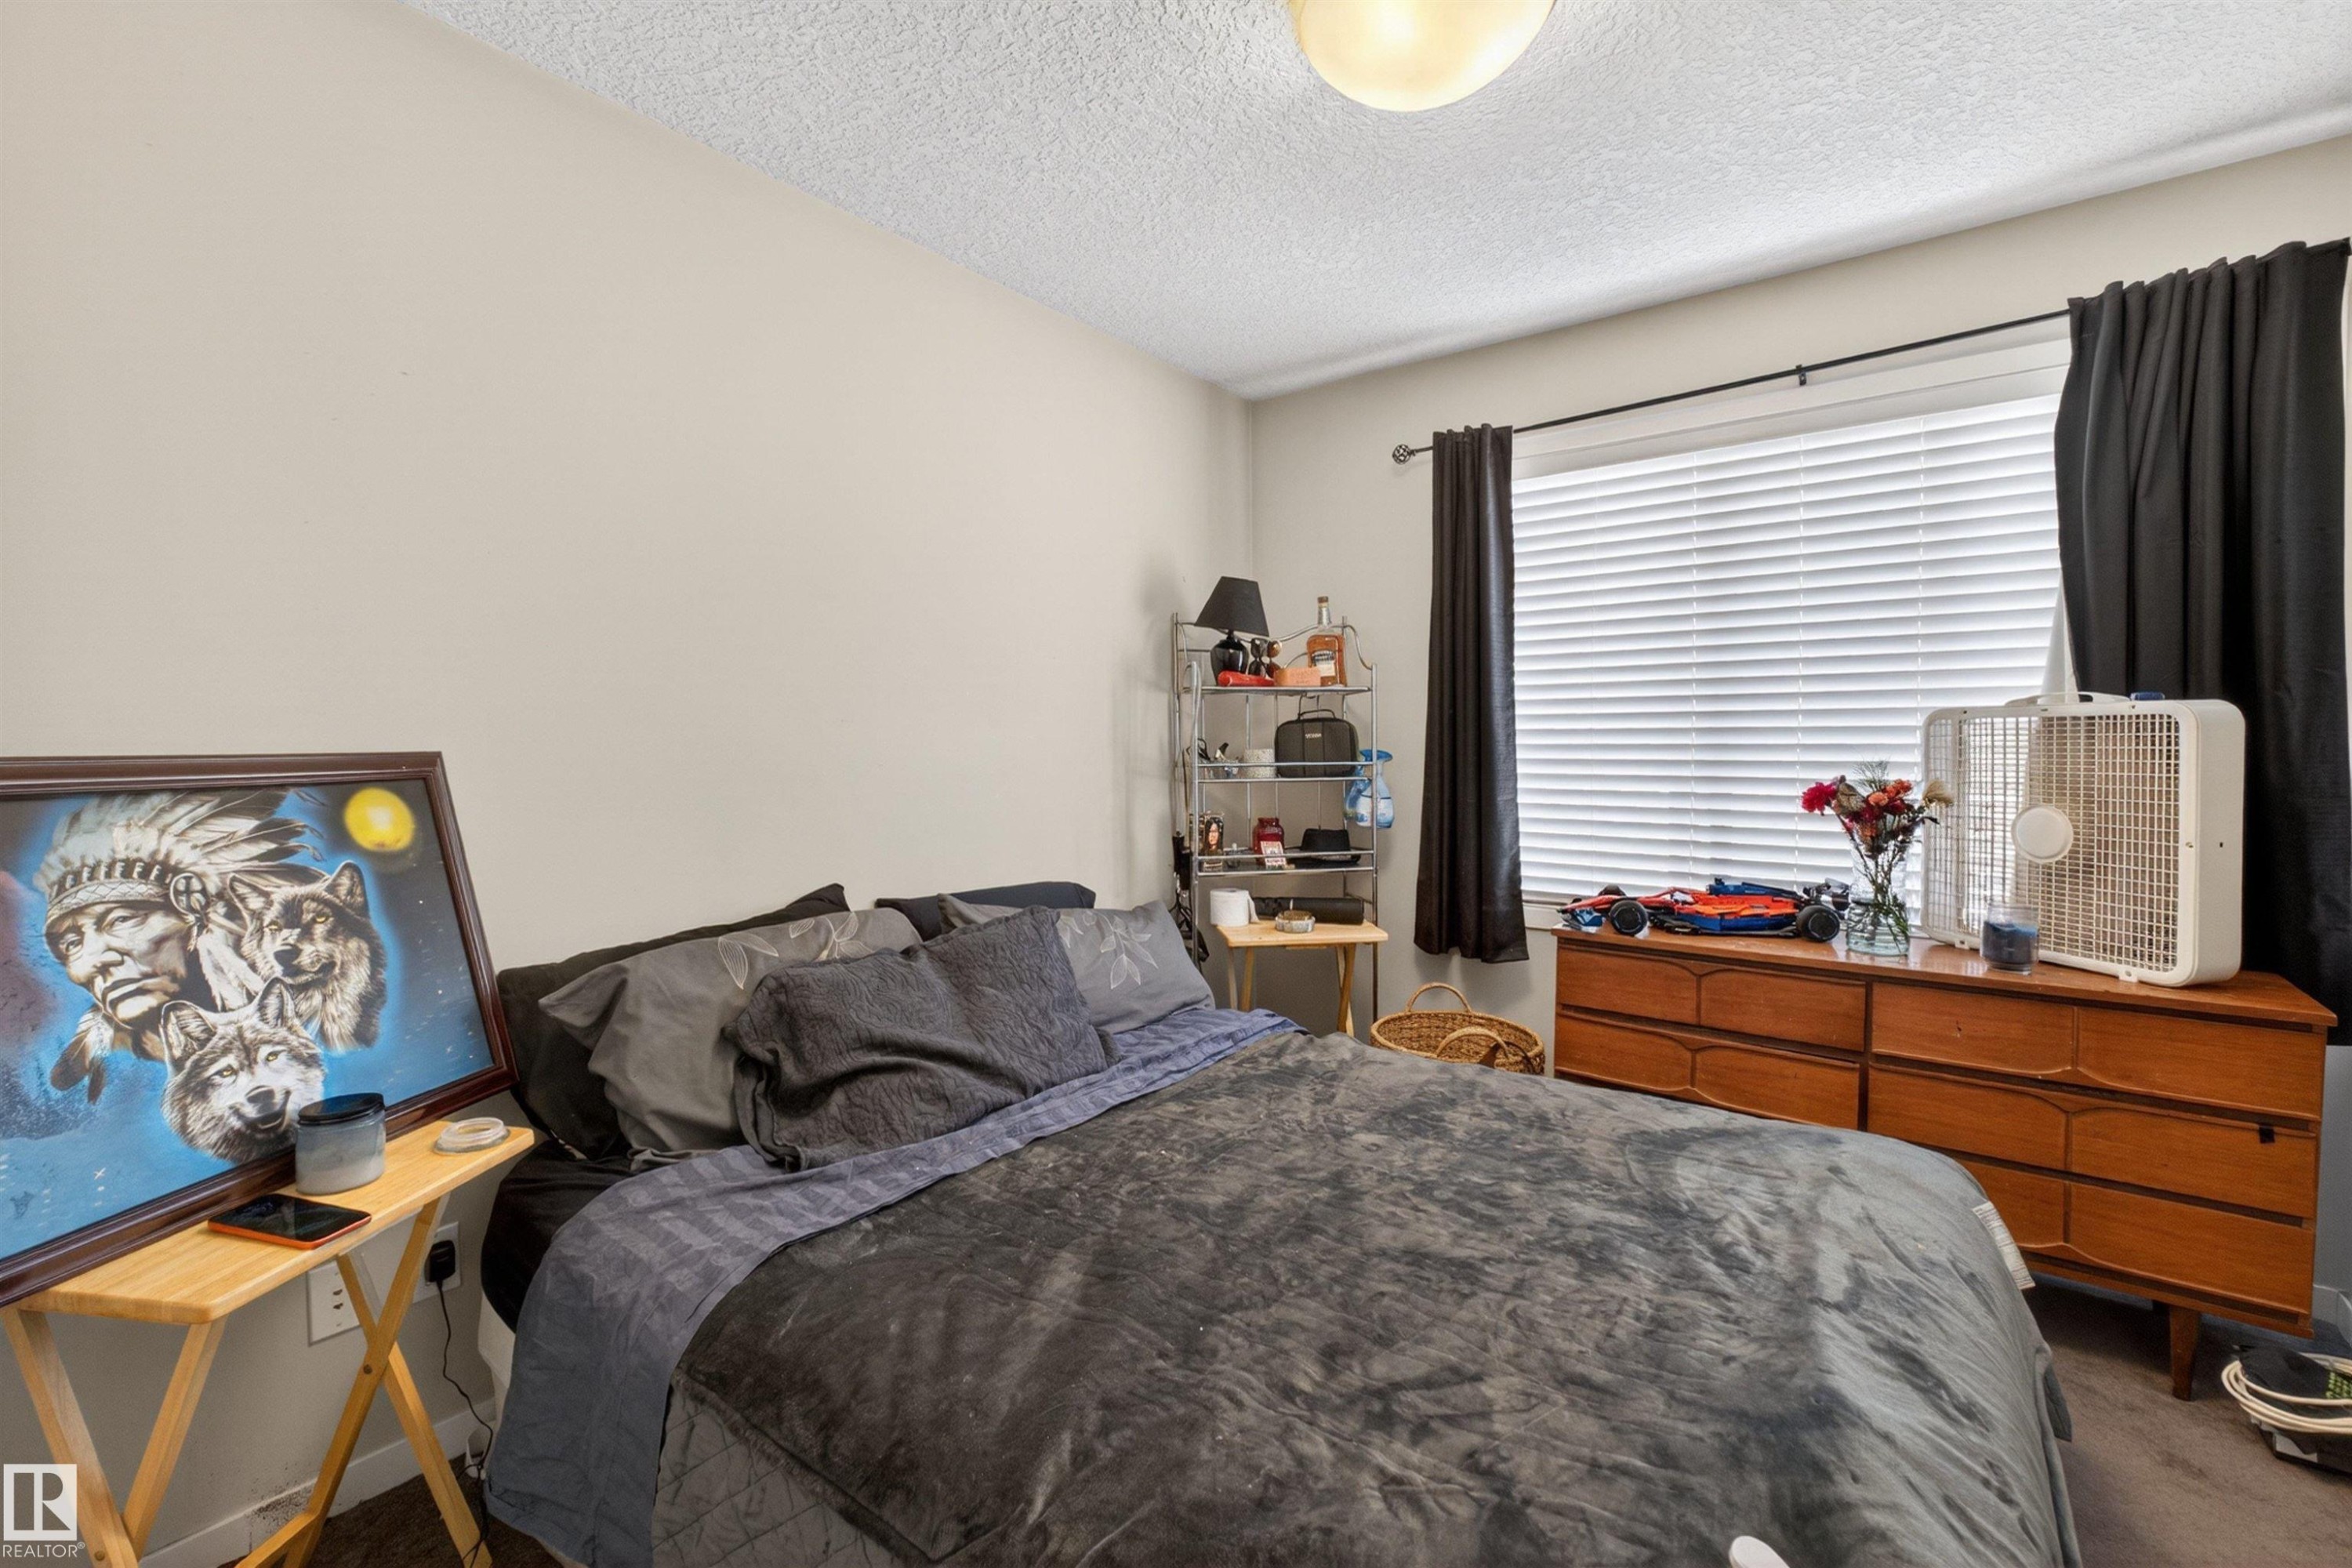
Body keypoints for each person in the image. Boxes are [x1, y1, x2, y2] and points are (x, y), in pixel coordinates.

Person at [35, 790, 318, 1100]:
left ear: (192, 911)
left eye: (120, 920)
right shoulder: (120, 1056)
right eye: (72, 943)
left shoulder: (297, 1008)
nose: (91, 962)